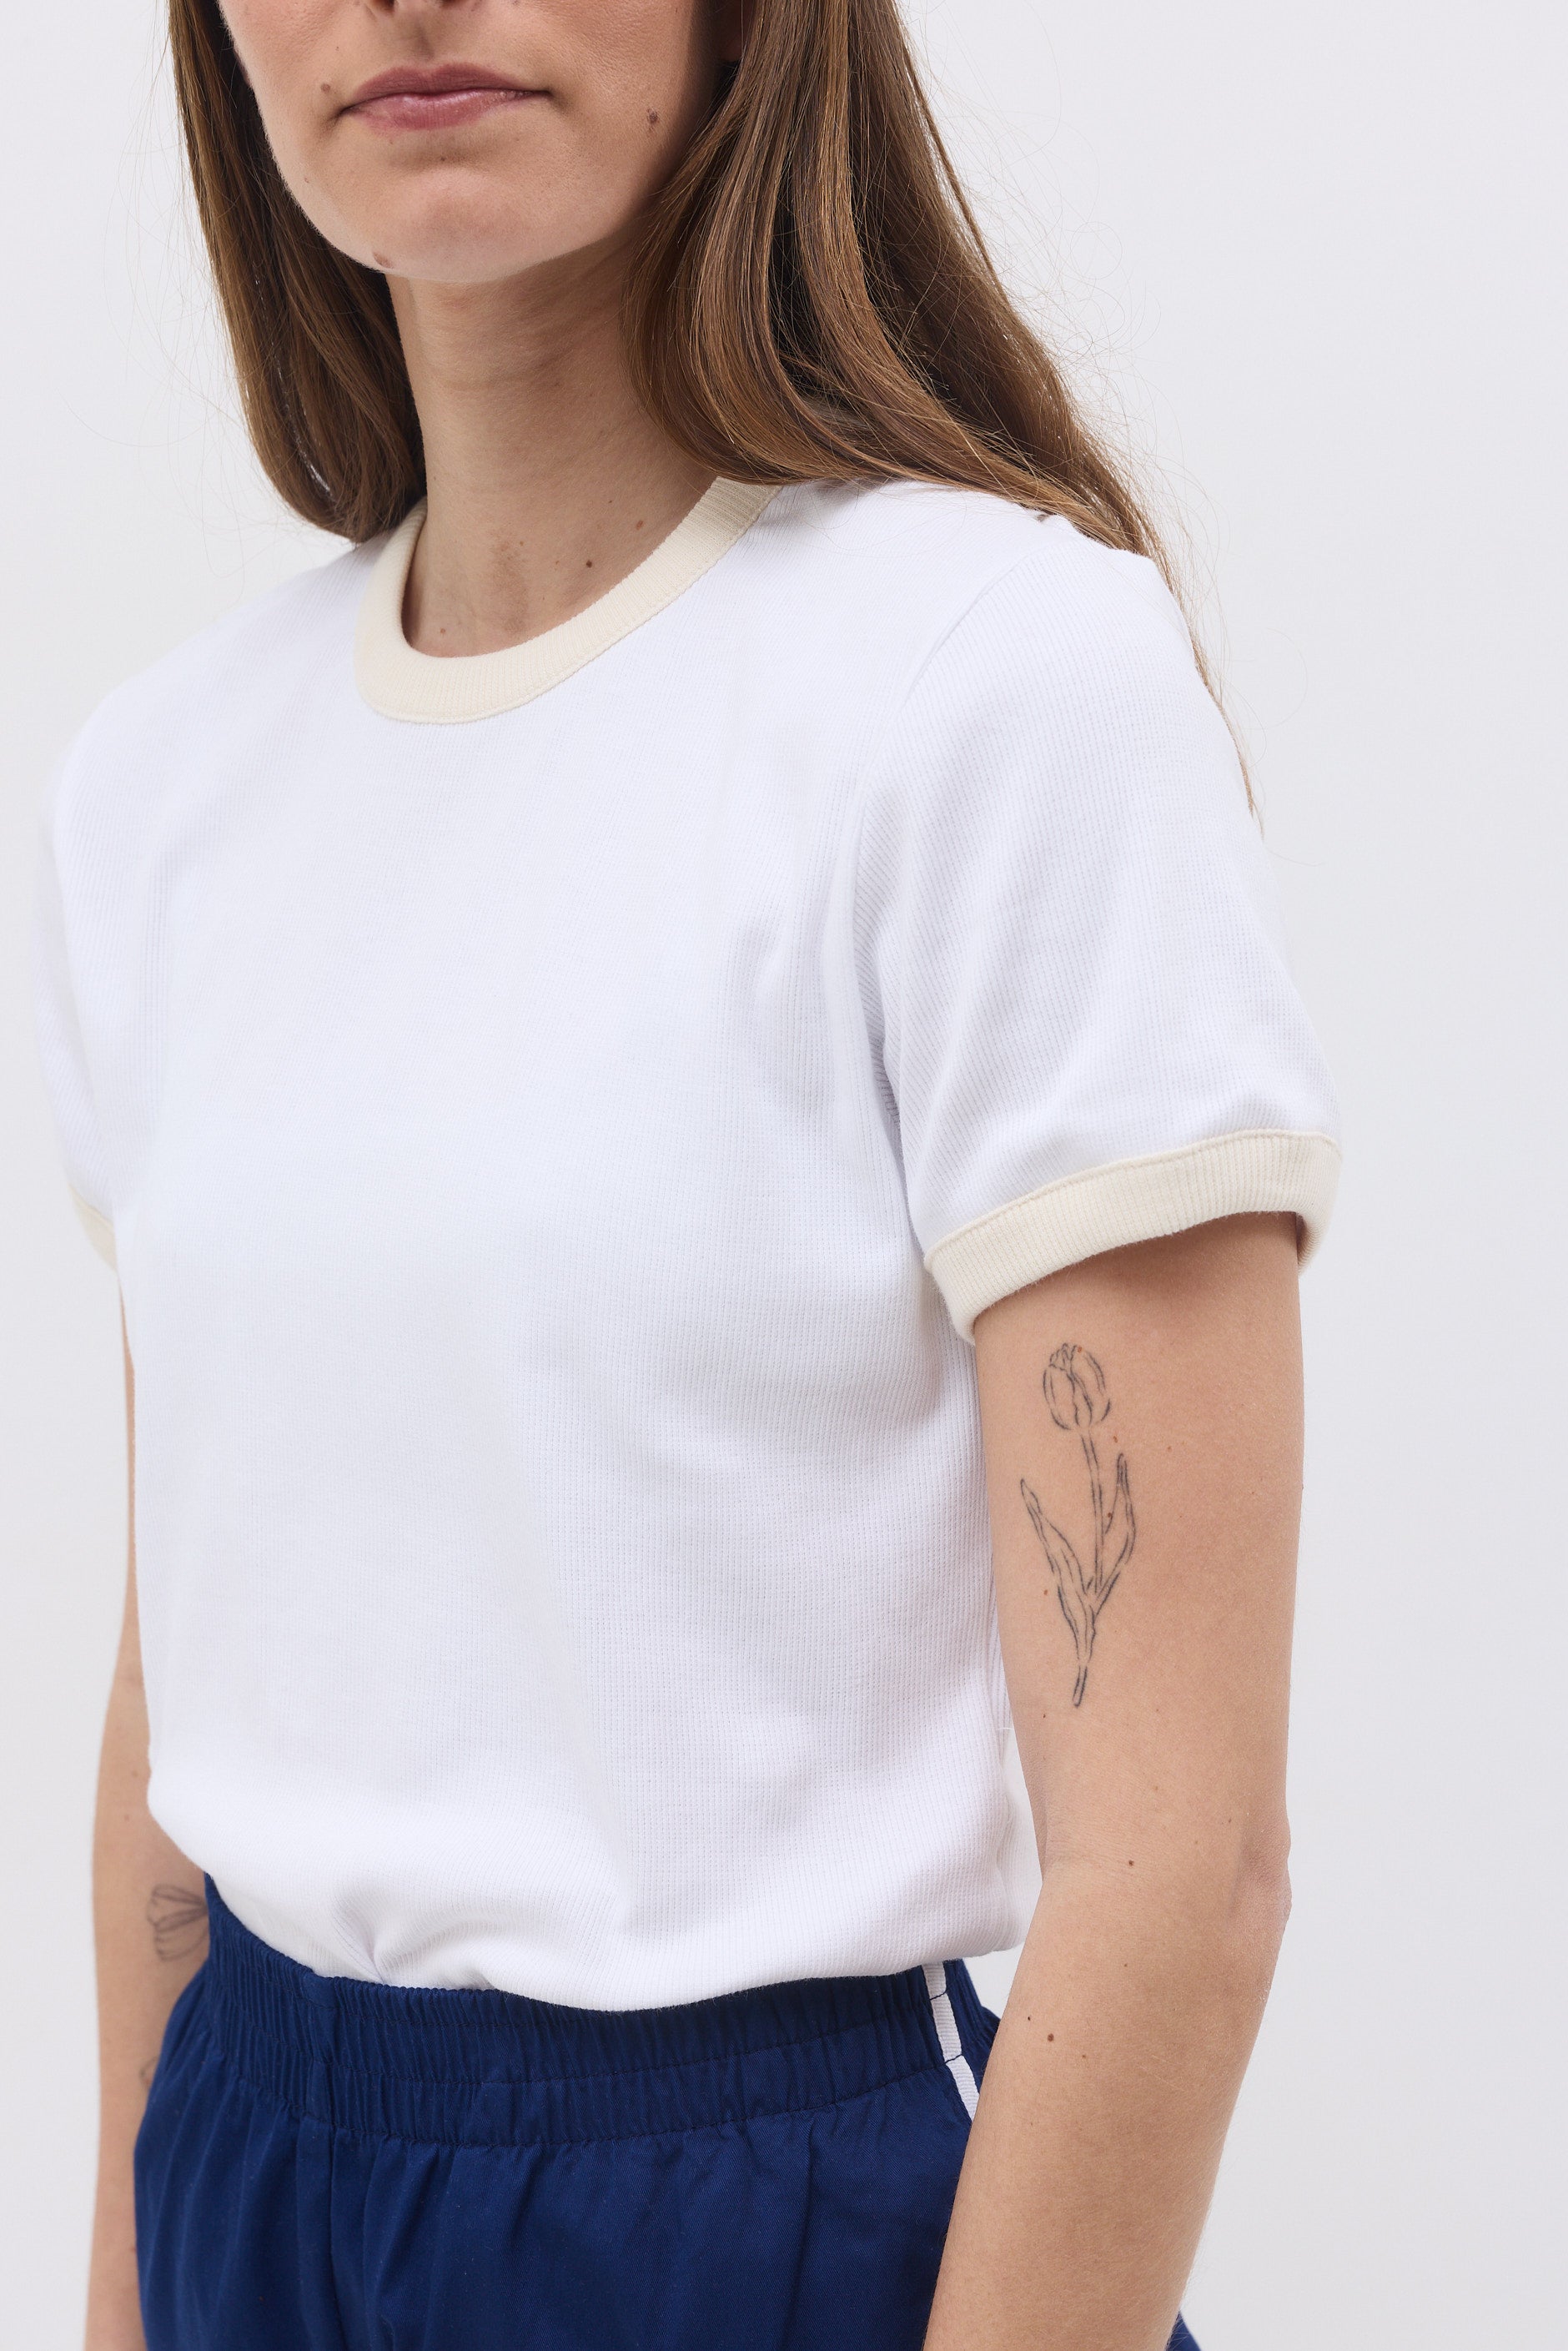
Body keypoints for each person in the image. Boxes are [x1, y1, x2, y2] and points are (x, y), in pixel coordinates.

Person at [32, 2, 1341, 2346]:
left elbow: (1179, 1870)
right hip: (250, 2160)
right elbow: (186, 1689)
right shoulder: (163, 791)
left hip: (766, 2226)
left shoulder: (991, 684)